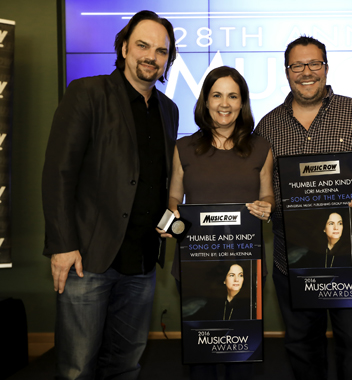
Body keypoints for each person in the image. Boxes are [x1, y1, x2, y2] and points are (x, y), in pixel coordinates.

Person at [42, 10, 178, 379]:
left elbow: (158, 179)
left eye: (161, 51)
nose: (152, 56)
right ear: (123, 48)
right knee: (77, 368)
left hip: (143, 262)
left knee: (125, 365)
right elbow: (58, 174)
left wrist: (169, 216)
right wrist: (61, 244)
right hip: (87, 258)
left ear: (169, 59)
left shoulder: (169, 110)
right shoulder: (88, 92)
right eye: (142, 45)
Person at [254, 36, 352, 380]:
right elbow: (260, 189)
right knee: (302, 347)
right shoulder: (267, 126)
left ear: (326, 67)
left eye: (314, 64)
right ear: (286, 72)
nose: (306, 72)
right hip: (291, 260)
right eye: (297, 65)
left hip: (349, 258)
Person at [159, 65, 274, 380]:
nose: (225, 104)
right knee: (202, 355)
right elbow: (173, 200)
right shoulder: (183, 148)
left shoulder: (261, 148)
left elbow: (268, 196)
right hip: (195, 265)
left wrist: (266, 208)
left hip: (245, 266)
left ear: (242, 102)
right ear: (205, 101)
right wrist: (171, 221)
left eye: (233, 96)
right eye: (217, 95)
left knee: (242, 353)